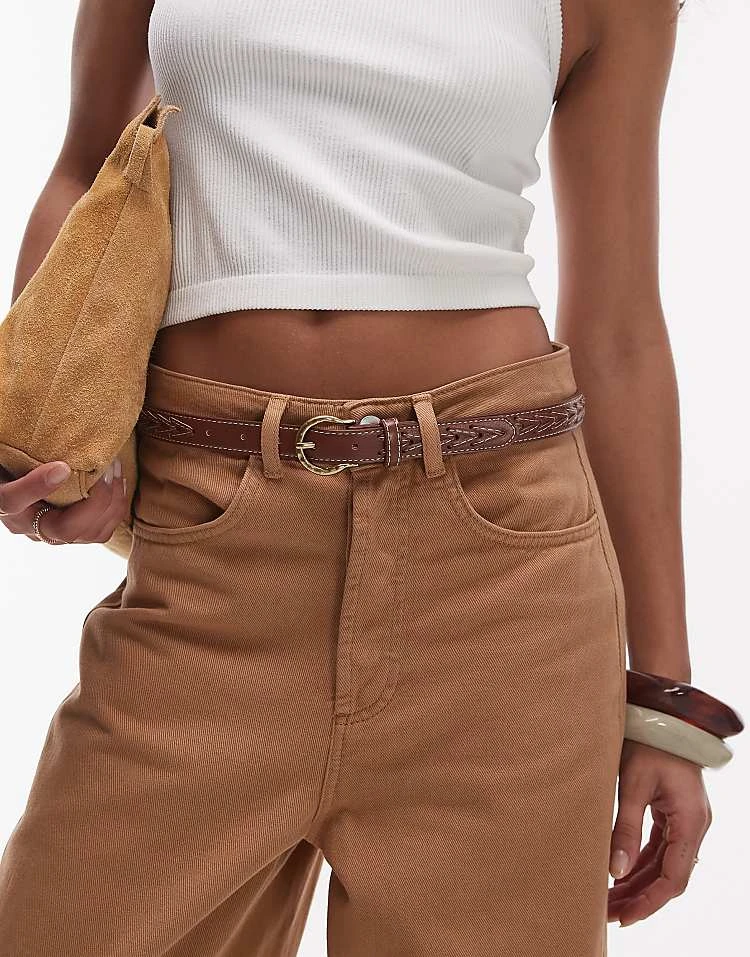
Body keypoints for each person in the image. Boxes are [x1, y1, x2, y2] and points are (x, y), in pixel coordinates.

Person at [0, 1, 711, 955]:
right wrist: (50, 432)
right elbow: (85, 171)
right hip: (213, 559)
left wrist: (665, 702)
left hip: (503, 591)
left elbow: (618, 331)